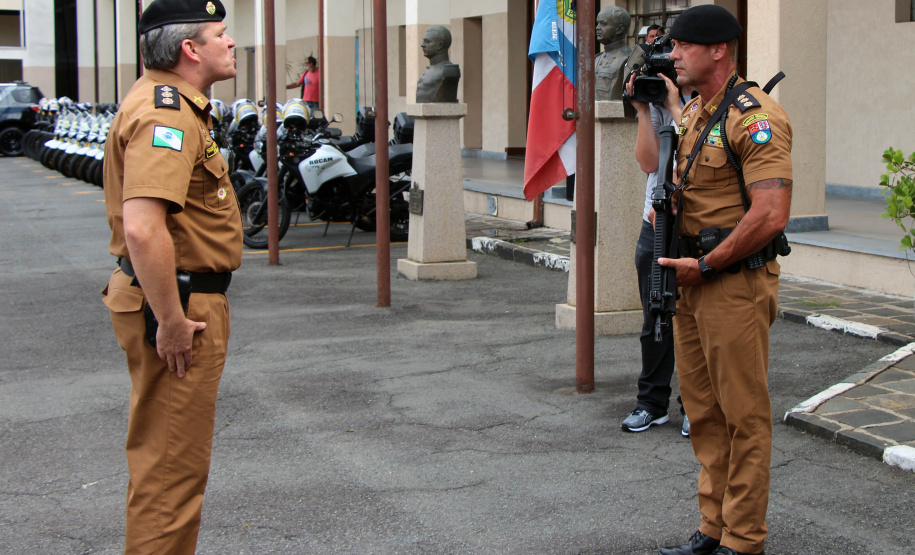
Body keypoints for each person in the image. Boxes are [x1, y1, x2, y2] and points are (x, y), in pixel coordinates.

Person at [101, 0, 242, 552]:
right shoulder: (166, 113)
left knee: (167, 465)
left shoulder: (171, 103)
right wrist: (172, 320)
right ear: (190, 49)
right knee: (171, 474)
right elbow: (143, 229)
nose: (230, 43)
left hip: (178, 297)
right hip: (179, 305)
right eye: (220, 34)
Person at [656, 5, 793, 555]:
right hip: (691, 282)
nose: (673, 55)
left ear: (718, 50)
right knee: (704, 414)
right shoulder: (692, 113)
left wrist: (709, 265)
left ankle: (744, 539)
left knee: (743, 415)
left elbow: (770, 214)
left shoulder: (753, 116)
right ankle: (712, 527)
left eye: (682, 46)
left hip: (732, 282)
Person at [620, 67, 689, 436]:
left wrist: (678, 105)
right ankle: (652, 403)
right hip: (655, 223)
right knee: (655, 316)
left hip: (697, 225)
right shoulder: (657, 104)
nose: (674, 62)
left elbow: (701, 151)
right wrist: (644, 110)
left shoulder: (712, 102)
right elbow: (649, 162)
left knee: (696, 320)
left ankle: (696, 405)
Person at [594, 6, 632, 101]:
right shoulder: (596, 59)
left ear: (619, 29)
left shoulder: (629, 58)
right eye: (598, 23)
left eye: (603, 24)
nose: (597, 28)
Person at [416, 25, 461, 103]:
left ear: (440, 45)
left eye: (428, 41)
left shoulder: (449, 71)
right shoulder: (429, 70)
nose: (422, 45)